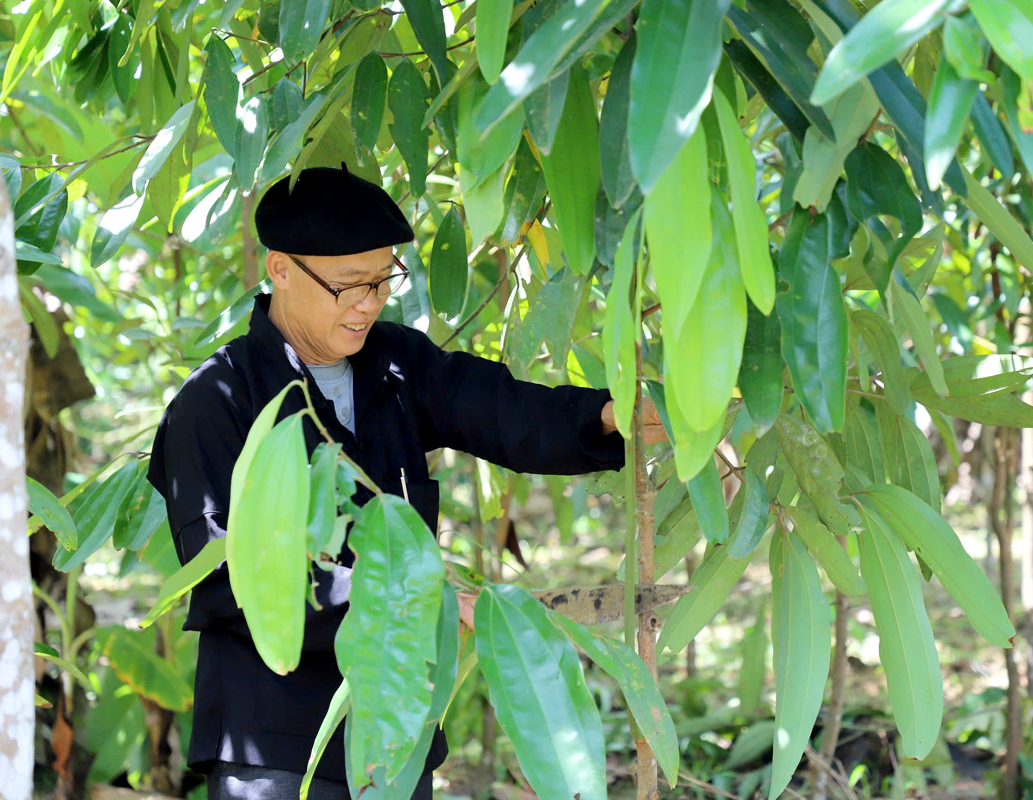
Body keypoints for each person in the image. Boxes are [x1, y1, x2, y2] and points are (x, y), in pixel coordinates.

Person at [147, 165, 664, 800]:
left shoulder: (395, 363)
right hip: (273, 743)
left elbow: (500, 409)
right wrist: (402, 596)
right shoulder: (217, 401)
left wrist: (610, 417)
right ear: (280, 269)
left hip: (395, 731)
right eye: (348, 286)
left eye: (383, 280)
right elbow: (225, 573)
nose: (368, 302)